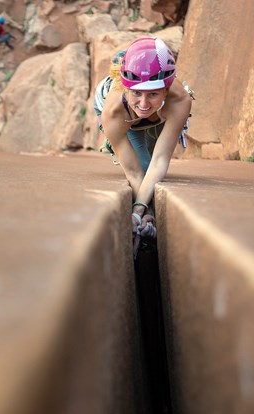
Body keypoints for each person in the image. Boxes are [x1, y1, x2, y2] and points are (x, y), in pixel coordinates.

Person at [95, 37, 194, 257]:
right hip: (125, 119)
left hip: (161, 116)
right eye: (136, 92)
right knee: (143, 165)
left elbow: (162, 158)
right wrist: (142, 211)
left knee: (153, 165)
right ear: (127, 88)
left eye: (153, 94)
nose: (143, 103)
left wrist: (138, 209)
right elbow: (132, 170)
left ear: (166, 90)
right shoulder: (112, 112)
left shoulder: (180, 100)